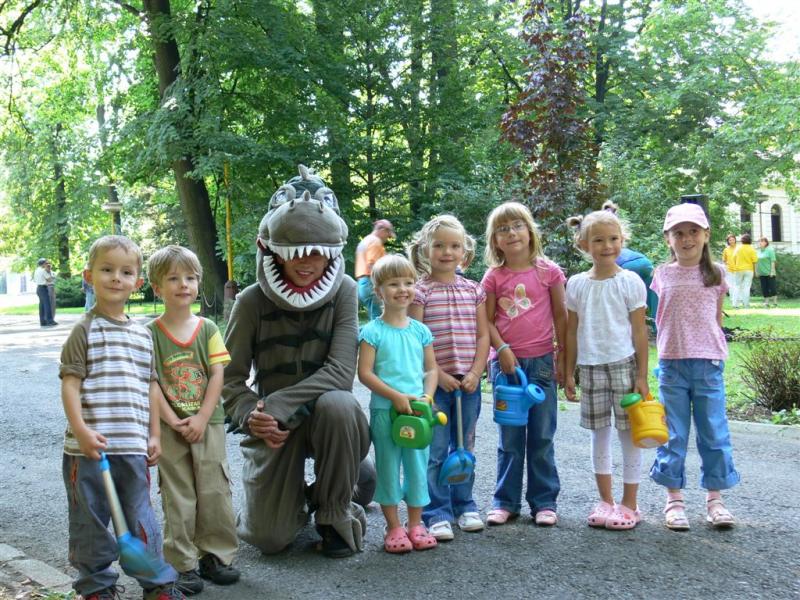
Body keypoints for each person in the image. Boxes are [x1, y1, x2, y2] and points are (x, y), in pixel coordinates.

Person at [223, 166, 373, 559]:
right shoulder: (250, 302)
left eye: (317, 252)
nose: (306, 262)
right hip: (275, 427)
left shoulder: (345, 291)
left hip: (329, 419)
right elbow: (229, 378)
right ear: (272, 248)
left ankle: (335, 509)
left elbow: (341, 372)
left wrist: (278, 402)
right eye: (297, 252)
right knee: (269, 538)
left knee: (339, 405)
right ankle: (335, 482)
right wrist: (251, 414)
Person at [59, 235, 184, 600]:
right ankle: (96, 587)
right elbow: (70, 385)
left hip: (132, 447)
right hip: (88, 451)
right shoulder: (83, 330)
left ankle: (157, 585)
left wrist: (154, 435)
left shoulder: (143, 335)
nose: (116, 278)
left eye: (126, 272)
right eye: (107, 270)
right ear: (89, 277)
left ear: (138, 282)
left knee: (141, 519)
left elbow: (151, 388)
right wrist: (81, 431)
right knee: (90, 523)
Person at [146, 246, 239, 594]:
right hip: (170, 428)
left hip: (208, 424)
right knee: (178, 496)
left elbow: (217, 375)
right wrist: (173, 421)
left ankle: (215, 555)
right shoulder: (150, 334)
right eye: (173, 278)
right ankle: (182, 563)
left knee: (214, 490)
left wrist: (201, 417)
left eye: (190, 277)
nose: (183, 284)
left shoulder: (207, 328)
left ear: (198, 283)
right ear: (157, 287)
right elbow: (151, 383)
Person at [650, 203, 739, 530]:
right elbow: (659, 317)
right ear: (668, 238)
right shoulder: (662, 274)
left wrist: (714, 349)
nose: (686, 239)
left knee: (713, 432)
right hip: (672, 364)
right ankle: (674, 499)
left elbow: (716, 318)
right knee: (672, 434)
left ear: (706, 235)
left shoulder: (717, 273)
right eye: (678, 233)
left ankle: (715, 499)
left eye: (693, 232)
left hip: (708, 364)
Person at [481, 201, 567, 527]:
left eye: (517, 225)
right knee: (510, 439)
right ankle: (505, 501)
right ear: (495, 241)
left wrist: (563, 359)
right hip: (506, 369)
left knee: (542, 437)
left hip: (542, 364)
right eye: (503, 229)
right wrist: (501, 348)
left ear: (530, 231)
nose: (511, 233)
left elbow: (562, 317)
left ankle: (544, 502)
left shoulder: (549, 272)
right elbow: (486, 321)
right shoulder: (493, 277)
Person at [564, 210, 649, 530]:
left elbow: (640, 332)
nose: (607, 246)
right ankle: (606, 500)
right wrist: (568, 372)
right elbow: (571, 332)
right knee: (599, 434)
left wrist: (642, 376)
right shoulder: (576, 284)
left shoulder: (630, 281)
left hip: (624, 365)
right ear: (583, 244)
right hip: (590, 367)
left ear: (622, 240)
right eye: (598, 240)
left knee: (629, 434)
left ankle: (630, 504)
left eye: (613, 239)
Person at [406, 215, 490, 540]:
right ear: (426, 249)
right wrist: (437, 375)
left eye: (454, 246)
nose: (446, 252)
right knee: (436, 450)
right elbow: (415, 340)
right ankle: (436, 511)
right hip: (435, 385)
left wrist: (476, 372)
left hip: (468, 384)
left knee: (465, 446)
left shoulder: (474, 290)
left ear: (464, 251)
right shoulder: (419, 292)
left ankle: (464, 504)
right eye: (439, 245)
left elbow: (483, 336)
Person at [357, 254, 439, 553]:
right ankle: (393, 527)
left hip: (418, 414)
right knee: (388, 467)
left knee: (417, 468)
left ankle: (416, 524)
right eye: (393, 284)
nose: (402, 289)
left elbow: (431, 370)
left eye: (408, 282)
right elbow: (365, 373)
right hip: (385, 412)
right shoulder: (372, 332)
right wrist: (395, 396)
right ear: (378, 291)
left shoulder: (421, 331)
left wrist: (427, 397)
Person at [602, 202, 658, 331]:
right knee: (653, 298)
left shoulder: (605, 253)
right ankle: (657, 327)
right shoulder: (619, 245)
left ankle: (626, 327)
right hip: (645, 262)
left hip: (627, 265)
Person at [355, 219, 395, 320]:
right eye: (388, 234)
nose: (388, 238)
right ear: (382, 230)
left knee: (374, 316)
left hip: (363, 283)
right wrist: (379, 284)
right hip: (371, 282)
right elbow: (373, 265)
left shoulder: (365, 240)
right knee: (379, 317)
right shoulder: (375, 242)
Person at [729, 233, 758, 308]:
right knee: (746, 287)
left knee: (737, 286)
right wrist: (756, 271)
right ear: (750, 240)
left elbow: (734, 258)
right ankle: (746, 305)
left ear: (742, 240)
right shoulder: (752, 249)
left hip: (738, 269)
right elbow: (755, 261)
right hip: (749, 270)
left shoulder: (738, 248)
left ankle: (734, 304)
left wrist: (736, 266)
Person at [33, 257, 56, 327]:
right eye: (46, 263)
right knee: (47, 305)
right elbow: (49, 279)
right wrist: (51, 273)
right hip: (43, 288)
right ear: (43, 264)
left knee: (42, 306)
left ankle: (43, 321)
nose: (47, 264)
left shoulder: (36, 270)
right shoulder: (43, 271)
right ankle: (50, 321)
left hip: (38, 288)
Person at [756, 237, 778, 308]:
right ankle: (766, 302)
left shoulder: (770, 250)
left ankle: (775, 302)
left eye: (762, 241)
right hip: (762, 273)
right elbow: (756, 262)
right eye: (759, 241)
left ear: (766, 243)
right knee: (764, 288)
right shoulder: (758, 251)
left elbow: (773, 261)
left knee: (772, 288)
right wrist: (757, 271)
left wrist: (772, 271)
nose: (760, 243)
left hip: (769, 273)